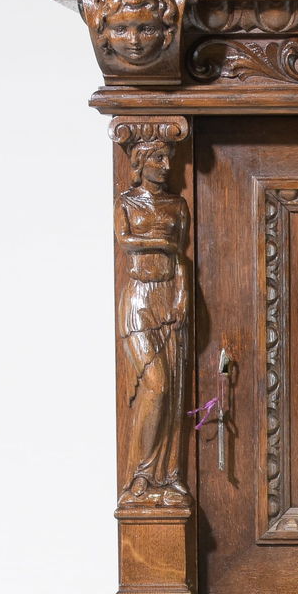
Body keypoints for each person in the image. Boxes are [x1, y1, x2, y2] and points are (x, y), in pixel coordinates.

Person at [115, 135, 190, 504]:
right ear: (140, 163)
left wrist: (181, 298)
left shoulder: (178, 205)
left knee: (174, 390)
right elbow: (125, 240)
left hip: (167, 294)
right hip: (139, 299)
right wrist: (161, 243)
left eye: (167, 159)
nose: (166, 166)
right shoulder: (126, 202)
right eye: (158, 159)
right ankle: (141, 474)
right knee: (156, 385)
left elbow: (182, 258)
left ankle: (167, 475)